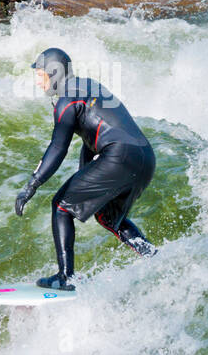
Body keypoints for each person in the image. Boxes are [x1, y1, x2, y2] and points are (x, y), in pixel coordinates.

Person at [14, 48, 157, 291]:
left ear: (54, 73)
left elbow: (58, 147)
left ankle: (66, 277)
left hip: (119, 154)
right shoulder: (89, 86)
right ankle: (154, 258)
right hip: (144, 157)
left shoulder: (66, 100)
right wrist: (83, 177)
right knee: (108, 217)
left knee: (60, 205)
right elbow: (94, 136)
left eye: (40, 75)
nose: (38, 81)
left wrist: (31, 185)